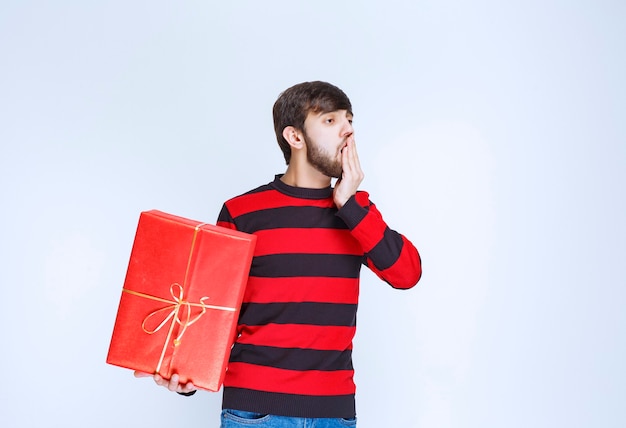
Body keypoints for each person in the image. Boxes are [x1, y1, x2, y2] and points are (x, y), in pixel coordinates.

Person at [136, 81, 422, 427]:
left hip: (333, 415)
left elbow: (406, 274)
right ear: (295, 137)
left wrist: (350, 205)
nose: (348, 130)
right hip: (254, 413)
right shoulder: (243, 212)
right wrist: (183, 377)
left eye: (349, 119)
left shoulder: (356, 211)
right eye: (330, 121)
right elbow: (209, 311)